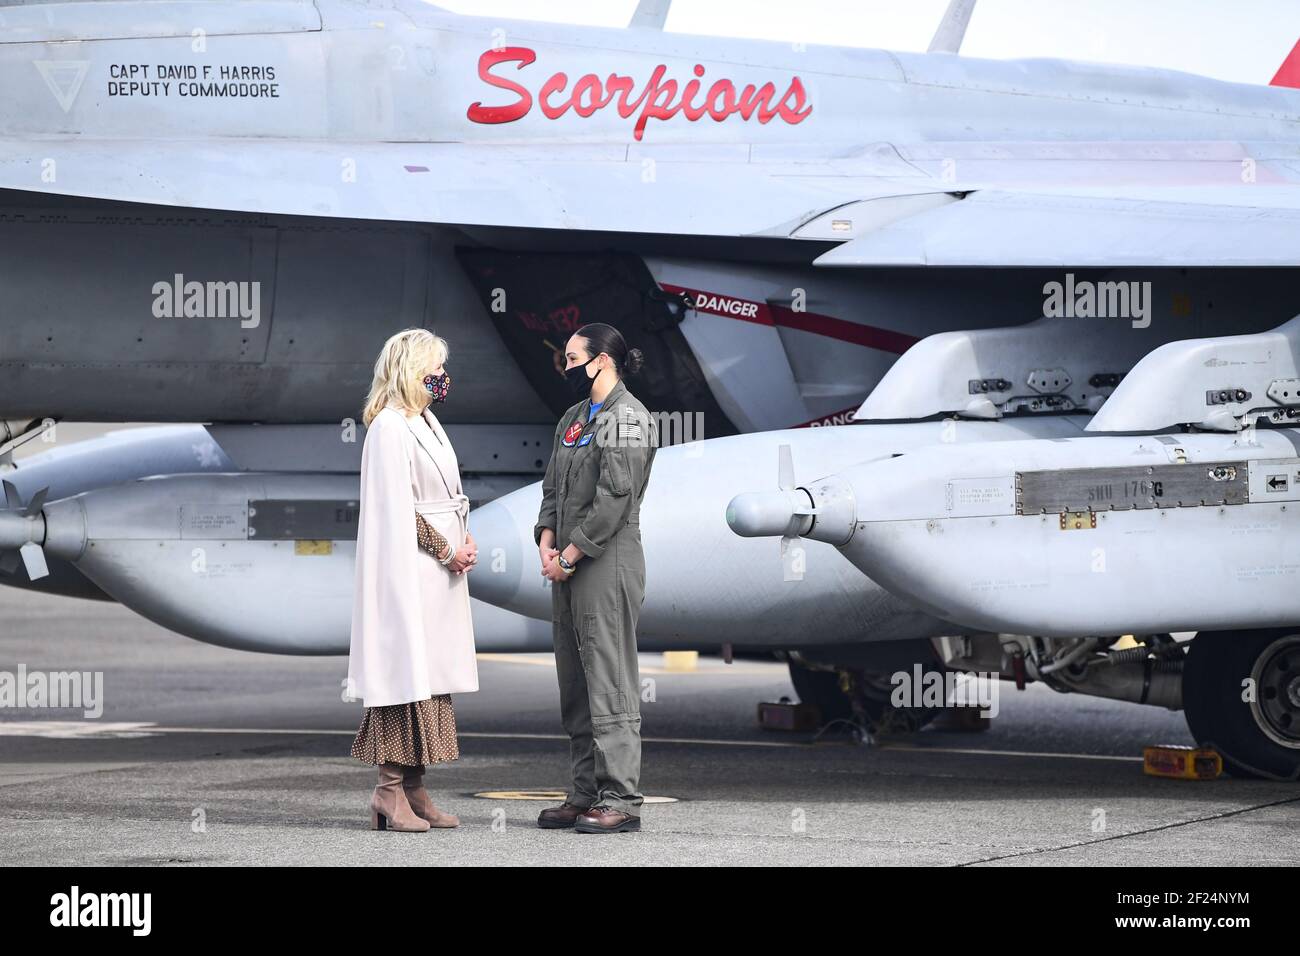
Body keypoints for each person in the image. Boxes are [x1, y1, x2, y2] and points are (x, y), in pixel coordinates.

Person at [346, 327, 479, 832]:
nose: (443, 377)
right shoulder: (390, 428)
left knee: (429, 677)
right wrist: (447, 549)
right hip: (414, 569)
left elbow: (446, 495)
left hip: (437, 570)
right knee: (403, 673)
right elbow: (398, 507)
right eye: (435, 368)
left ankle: (415, 787)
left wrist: (462, 541)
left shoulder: (424, 419)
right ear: (412, 370)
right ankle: (389, 789)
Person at [533, 323, 658, 834]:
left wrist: (571, 552)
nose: (564, 367)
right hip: (568, 562)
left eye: (571, 357)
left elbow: (615, 499)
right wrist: (545, 535)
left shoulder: (627, 419)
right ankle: (585, 791)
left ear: (601, 360)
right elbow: (551, 485)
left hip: (605, 561)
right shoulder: (575, 417)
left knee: (609, 677)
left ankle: (620, 797)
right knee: (575, 679)